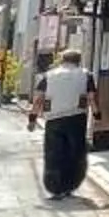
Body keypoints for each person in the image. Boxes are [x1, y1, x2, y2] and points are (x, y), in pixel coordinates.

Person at [32, 49, 92, 199]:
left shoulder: (49, 76)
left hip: (54, 119)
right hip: (77, 118)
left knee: (54, 154)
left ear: (62, 60)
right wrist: (97, 114)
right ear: (78, 61)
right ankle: (70, 186)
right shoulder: (86, 75)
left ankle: (54, 188)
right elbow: (92, 98)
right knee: (75, 153)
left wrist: (32, 118)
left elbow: (38, 99)